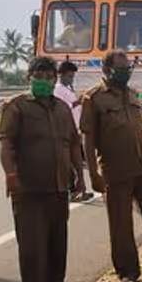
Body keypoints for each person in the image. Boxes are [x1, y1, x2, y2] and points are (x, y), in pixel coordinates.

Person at [81, 50, 142, 282]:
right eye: (121, 70)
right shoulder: (93, 99)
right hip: (115, 171)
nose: (125, 74)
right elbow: (88, 140)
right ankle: (127, 271)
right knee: (121, 224)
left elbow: (141, 129)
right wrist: (93, 174)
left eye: (127, 69)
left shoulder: (133, 94)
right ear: (107, 70)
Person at [0, 58, 86, 282]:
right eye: (39, 76)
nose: (45, 81)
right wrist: (11, 174)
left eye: (49, 77)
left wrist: (79, 176)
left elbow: (73, 143)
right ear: (29, 77)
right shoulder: (16, 107)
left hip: (59, 187)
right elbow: (6, 143)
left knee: (57, 241)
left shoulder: (62, 108)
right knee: (32, 244)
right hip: (29, 188)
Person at [54, 60, 93, 202]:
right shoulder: (58, 90)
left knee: (77, 162)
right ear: (61, 75)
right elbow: (63, 107)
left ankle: (80, 189)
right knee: (69, 162)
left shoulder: (68, 89)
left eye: (72, 76)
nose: (71, 79)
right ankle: (72, 191)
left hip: (74, 128)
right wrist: (79, 102)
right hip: (65, 129)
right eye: (69, 76)